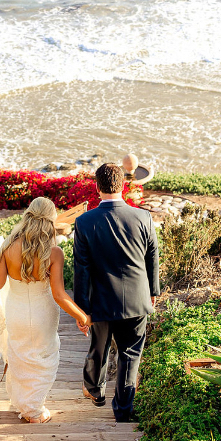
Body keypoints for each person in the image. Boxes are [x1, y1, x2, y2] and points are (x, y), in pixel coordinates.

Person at [0, 196, 91, 423]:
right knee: (43, 357)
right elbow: (60, 295)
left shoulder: (7, 246)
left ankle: (29, 406)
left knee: (21, 355)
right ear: (51, 220)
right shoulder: (54, 253)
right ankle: (34, 409)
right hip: (44, 313)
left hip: (16, 311)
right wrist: (83, 316)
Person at [73, 162, 160, 422]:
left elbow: (81, 269)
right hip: (137, 299)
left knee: (98, 348)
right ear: (122, 185)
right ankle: (123, 411)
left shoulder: (84, 222)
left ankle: (95, 391)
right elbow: (152, 255)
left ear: (97, 187)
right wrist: (152, 290)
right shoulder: (143, 217)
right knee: (130, 354)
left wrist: (80, 309)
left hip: (99, 300)